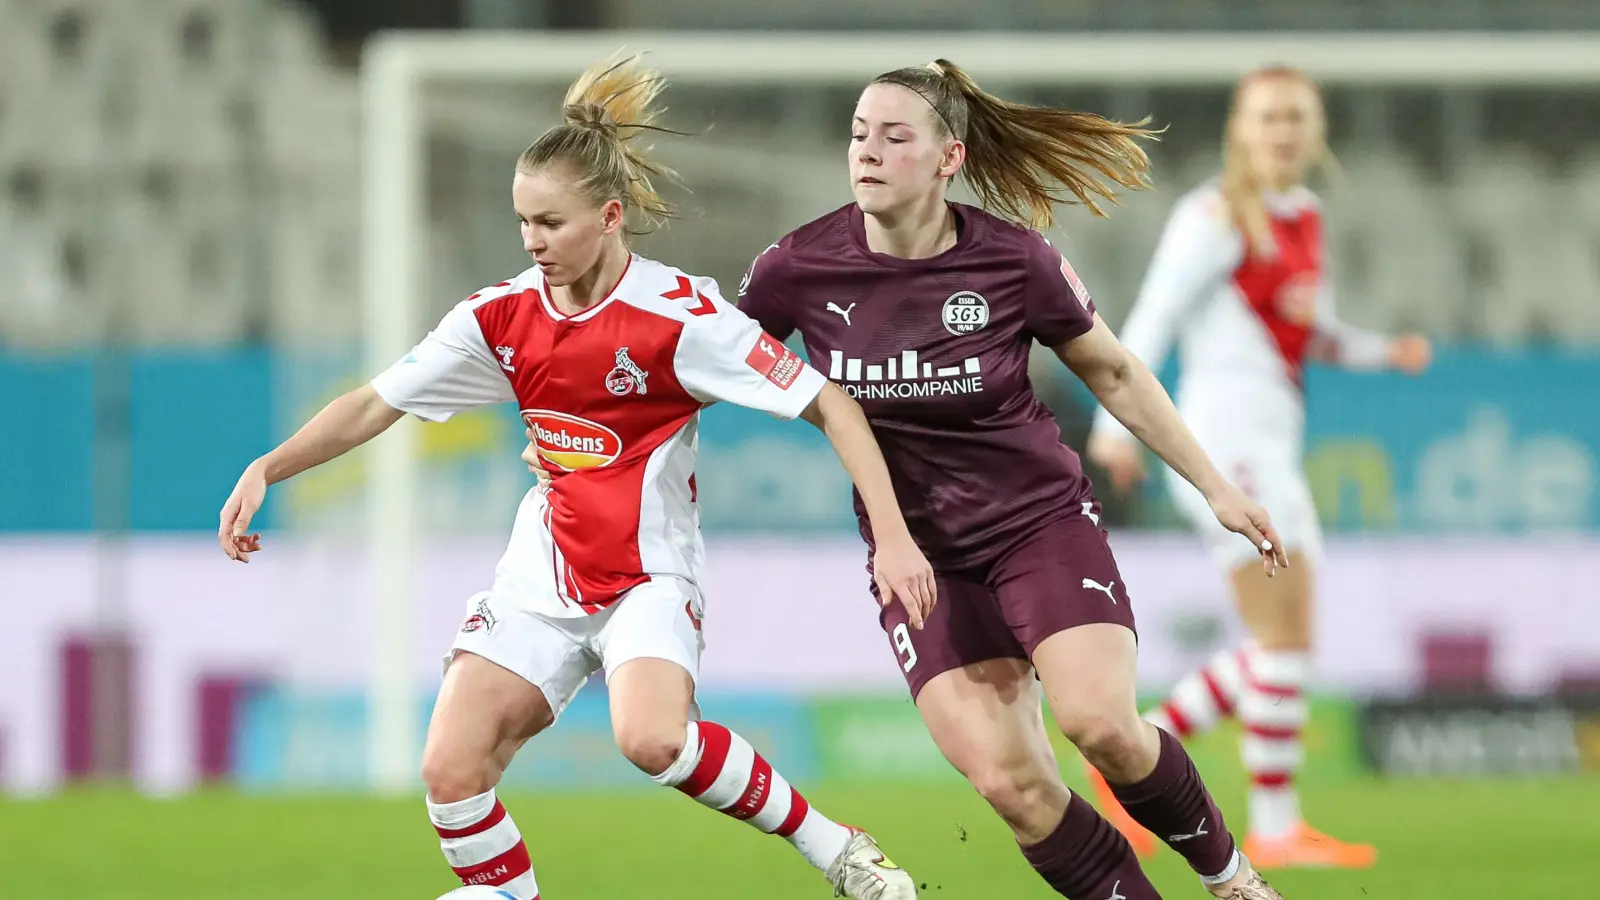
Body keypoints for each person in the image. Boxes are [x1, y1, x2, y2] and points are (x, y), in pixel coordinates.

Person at [216, 54, 932, 900]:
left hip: (648, 574)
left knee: (651, 739)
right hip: (543, 570)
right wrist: (270, 467)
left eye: (550, 223)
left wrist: (893, 538)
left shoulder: (682, 318)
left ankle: (837, 850)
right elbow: (377, 403)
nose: (531, 241)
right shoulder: (499, 315)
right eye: (522, 221)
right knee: (449, 769)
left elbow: (832, 406)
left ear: (609, 216)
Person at [733, 59, 1291, 900]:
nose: (867, 153)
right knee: (1013, 786)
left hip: (1039, 526)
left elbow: (1114, 372)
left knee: (1100, 724)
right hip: (920, 557)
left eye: (894, 137)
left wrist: (1216, 488)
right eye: (857, 135)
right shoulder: (795, 269)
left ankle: (1231, 878)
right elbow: (704, 367)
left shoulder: (1012, 260)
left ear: (948, 157)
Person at [1083, 65, 1431, 869]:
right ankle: (1270, 821)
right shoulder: (1212, 216)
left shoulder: (1303, 216)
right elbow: (1151, 317)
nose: (1282, 131)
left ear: (1315, 132)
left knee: (1286, 639)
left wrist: (1386, 353)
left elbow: (1312, 332)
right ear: (1241, 129)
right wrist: (1114, 427)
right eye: (1268, 116)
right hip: (1223, 442)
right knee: (1283, 632)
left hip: (1271, 441)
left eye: (1296, 118)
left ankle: (1133, 758)